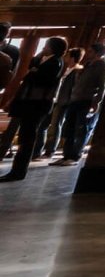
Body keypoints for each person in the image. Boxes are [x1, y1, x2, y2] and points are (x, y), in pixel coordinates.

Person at [0, 36, 66, 181]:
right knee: (24, 137)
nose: (44, 47)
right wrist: (36, 65)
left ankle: (18, 171)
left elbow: (39, 78)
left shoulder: (55, 62)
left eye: (47, 45)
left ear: (53, 47)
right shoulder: (44, 59)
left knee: (27, 138)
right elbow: (32, 68)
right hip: (28, 102)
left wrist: (34, 72)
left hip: (36, 104)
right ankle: (16, 170)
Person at [54, 41, 105, 165]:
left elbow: (103, 86)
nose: (87, 54)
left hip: (87, 101)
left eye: (90, 51)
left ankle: (74, 156)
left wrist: (96, 102)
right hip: (75, 100)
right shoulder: (87, 65)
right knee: (69, 129)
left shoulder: (101, 66)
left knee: (82, 129)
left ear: (97, 53)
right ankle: (66, 155)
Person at [36, 47, 83, 160]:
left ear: (72, 57)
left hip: (63, 101)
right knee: (43, 125)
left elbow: (75, 88)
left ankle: (50, 150)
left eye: (68, 55)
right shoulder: (64, 69)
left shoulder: (77, 71)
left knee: (56, 125)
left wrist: (69, 100)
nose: (65, 57)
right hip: (54, 99)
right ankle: (38, 149)